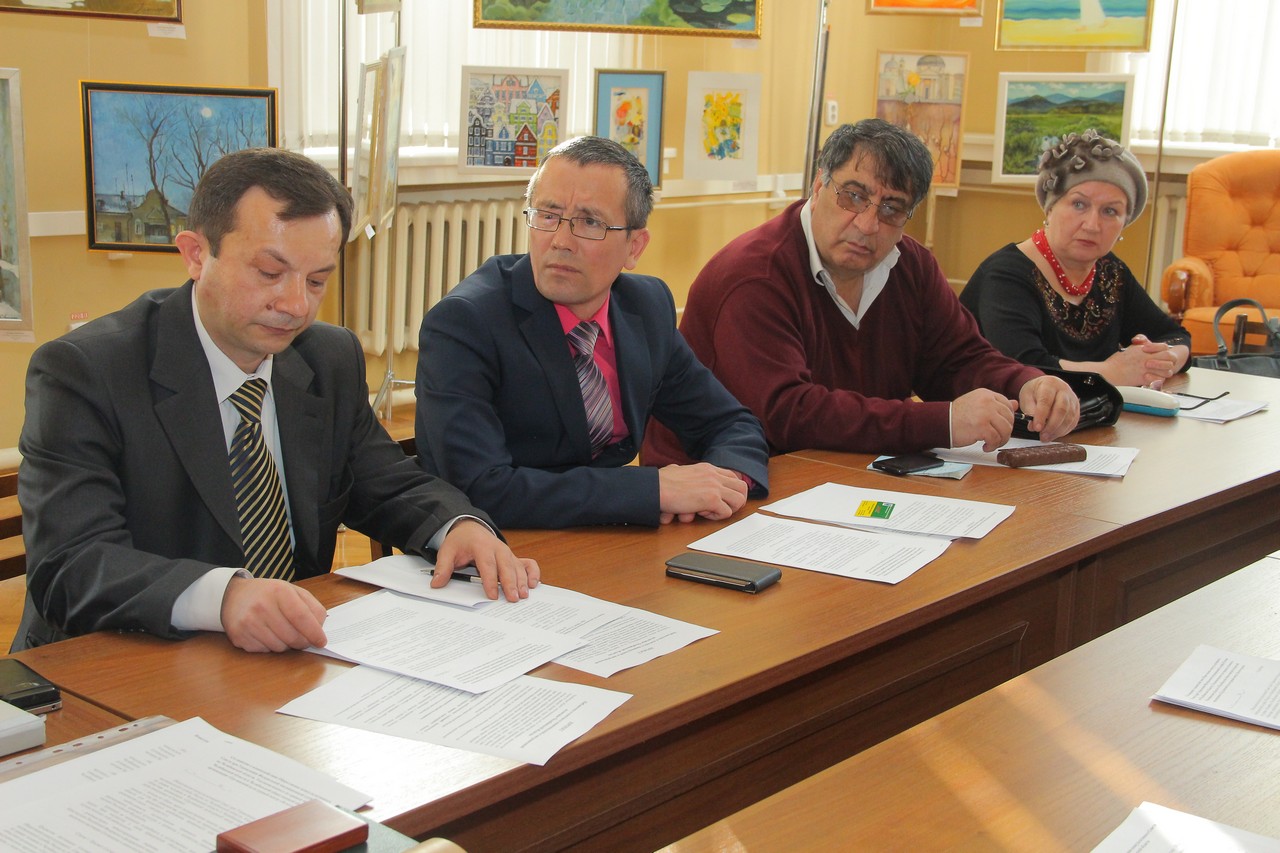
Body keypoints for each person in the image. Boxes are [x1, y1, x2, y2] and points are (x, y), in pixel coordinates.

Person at [14, 148, 538, 655]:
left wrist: (458, 524)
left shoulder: (327, 356)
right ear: (195, 254)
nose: (295, 305)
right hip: (122, 660)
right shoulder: (86, 372)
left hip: (290, 655)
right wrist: (223, 597)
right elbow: (71, 565)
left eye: (317, 280)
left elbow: (384, 480)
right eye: (269, 273)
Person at [642, 119, 1079, 464]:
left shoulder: (911, 265)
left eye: (892, 208)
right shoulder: (755, 276)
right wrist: (942, 422)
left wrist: (1027, 383)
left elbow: (956, 359)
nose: (868, 225)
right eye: (853, 196)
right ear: (818, 187)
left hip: (847, 474)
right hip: (725, 489)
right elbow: (787, 414)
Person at [415, 136, 769, 529]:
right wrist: (652, 490)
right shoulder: (465, 323)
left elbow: (730, 424)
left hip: (607, 537)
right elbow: (480, 488)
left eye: (590, 223)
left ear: (635, 247)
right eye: (547, 215)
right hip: (502, 544)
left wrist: (722, 483)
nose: (561, 241)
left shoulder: (646, 306)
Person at [960, 129, 1190, 388]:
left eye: (1110, 211)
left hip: (1086, 409)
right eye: (1079, 205)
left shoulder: (1111, 271)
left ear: (1124, 224)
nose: (1092, 225)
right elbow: (1023, 366)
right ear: (1050, 207)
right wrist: (1110, 372)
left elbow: (1174, 335)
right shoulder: (1005, 275)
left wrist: (1164, 360)